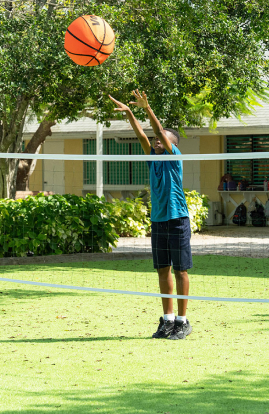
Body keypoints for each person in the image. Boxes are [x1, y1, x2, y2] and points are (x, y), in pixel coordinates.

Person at [109, 90, 193, 340]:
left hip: (177, 219)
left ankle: (182, 321)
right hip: (158, 222)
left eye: (162, 140)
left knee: (181, 271)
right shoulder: (152, 158)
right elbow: (142, 134)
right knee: (162, 270)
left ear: (172, 145)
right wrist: (130, 113)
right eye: (156, 141)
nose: (157, 142)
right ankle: (167, 321)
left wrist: (147, 109)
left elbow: (155, 131)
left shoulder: (173, 156)